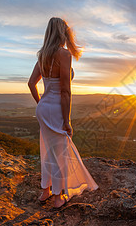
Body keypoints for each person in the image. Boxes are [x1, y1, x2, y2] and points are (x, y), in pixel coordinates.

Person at [28, 17, 99, 209]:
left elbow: (31, 83)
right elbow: (66, 91)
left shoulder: (42, 55)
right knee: (60, 151)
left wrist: (41, 103)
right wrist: (67, 120)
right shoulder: (64, 54)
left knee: (48, 149)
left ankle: (45, 191)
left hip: (43, 107)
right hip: (56, 108)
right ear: (62, 33)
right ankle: (59, 196)